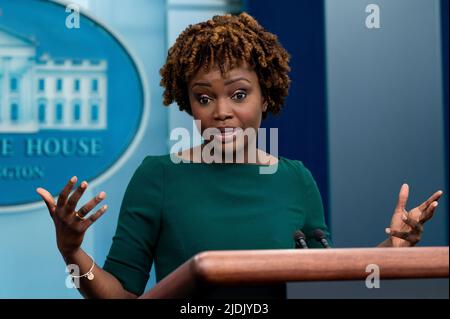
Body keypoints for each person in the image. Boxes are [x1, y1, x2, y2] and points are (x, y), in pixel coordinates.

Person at [36, 13, 443, 299]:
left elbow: (323, 281)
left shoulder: (295, 179)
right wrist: (72, 252)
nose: (222, 111)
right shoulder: (158, 176)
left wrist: (393, 250)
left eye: (239, 94)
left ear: (267, 95)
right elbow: (121, 295)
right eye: (204, 97)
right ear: (189, 105)